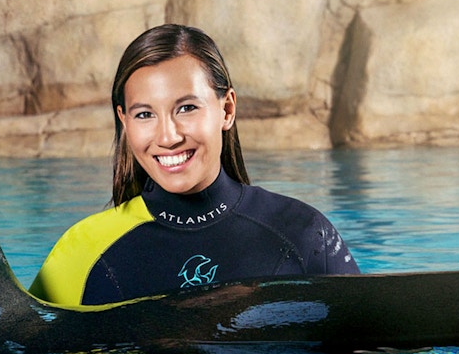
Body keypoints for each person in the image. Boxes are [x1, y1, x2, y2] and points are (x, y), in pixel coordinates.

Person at [28, 23, 359, 305]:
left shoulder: (302, 234)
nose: (168, 136)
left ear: (226, 109)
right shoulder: (82, 251)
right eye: (145, 114)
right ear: (124, 122)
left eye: (186, 108)